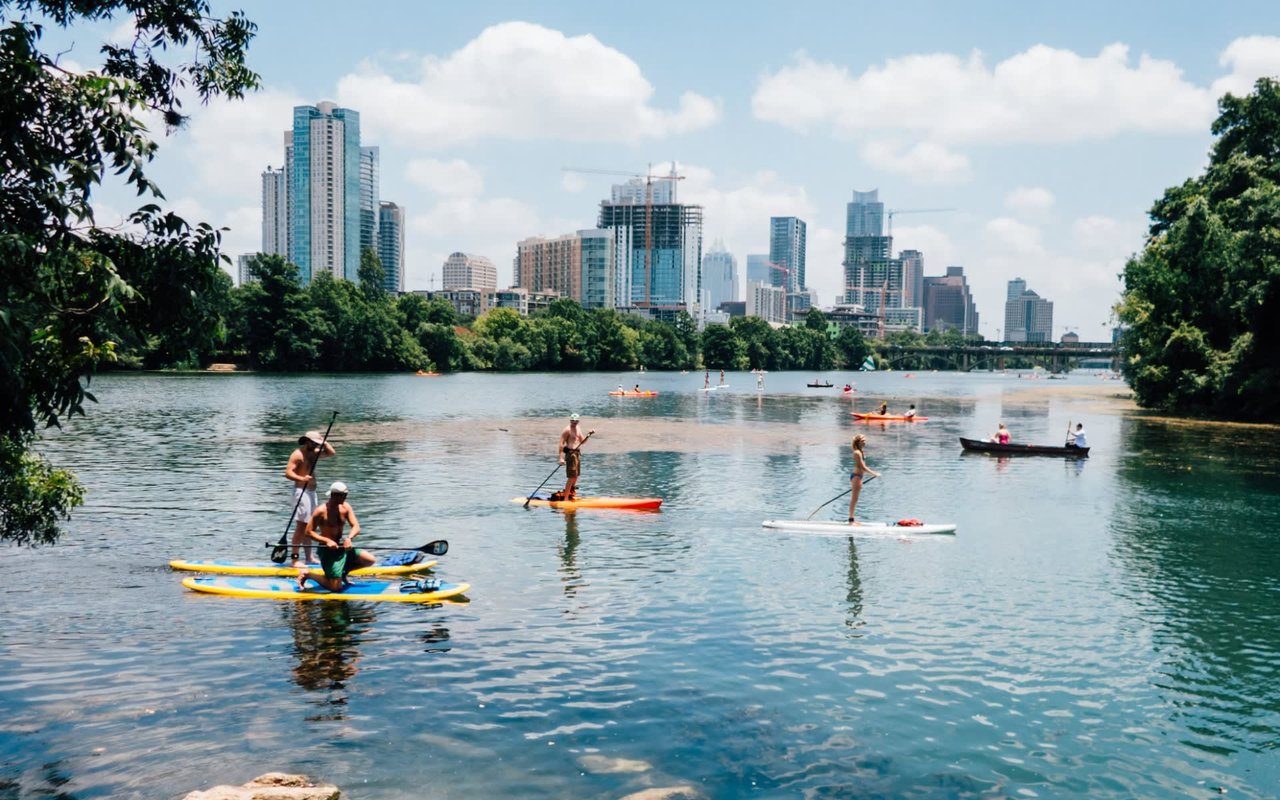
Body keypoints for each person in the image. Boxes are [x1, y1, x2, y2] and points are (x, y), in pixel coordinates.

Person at [297, 481, 375, 592]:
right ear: (334, 495)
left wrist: (349, 538)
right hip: (327, 551)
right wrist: (327, 540)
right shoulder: (321, 511)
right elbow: (308, 532)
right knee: (336, 587)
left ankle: (342, 573)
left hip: (342, 547)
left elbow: (356, 526)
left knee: (369, 560)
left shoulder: (346, 507)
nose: (346, 498)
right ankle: (308, 574)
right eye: (344, 495)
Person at [285, 430, 336, 569]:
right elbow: (288, 472)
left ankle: (309, 557)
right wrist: (302, 478)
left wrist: (324, 441)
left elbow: (332, 453)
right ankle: (295, 559)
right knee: (301, 526)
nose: (316, 445)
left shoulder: (314, 452)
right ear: (307, 441)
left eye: (317, 443)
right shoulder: (297, 455)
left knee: (310, 526)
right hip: (301, 492)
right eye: (314, 442)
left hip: (311, 492)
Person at [556, 413, 595, 500]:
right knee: (571, 476)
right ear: (570, 420)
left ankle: (570, 492)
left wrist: (589, 435)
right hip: (570, 454)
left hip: (577, 453)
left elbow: (582, 442)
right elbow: (561, 444)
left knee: (576, 475)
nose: (574, 423)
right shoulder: (567, 430)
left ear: (578, 421)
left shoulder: (578, 428)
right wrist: (561, 458)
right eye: (573, 421)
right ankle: (566, 499)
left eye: (576, 421)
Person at [847, 434, 881, 523]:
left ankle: (852, 519)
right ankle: (851, 520)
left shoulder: (861, 451)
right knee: (854, 499)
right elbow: (863, 467)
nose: (865, 442)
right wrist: (874, 474)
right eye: (863, 441)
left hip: (859, 477)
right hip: (856, 477)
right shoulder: (857, 453)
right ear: (858, 442)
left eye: (865, 441)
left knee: (856, 499)